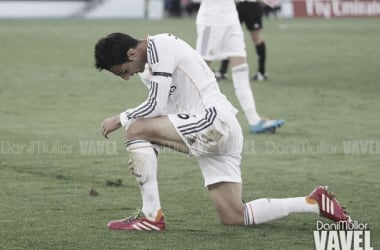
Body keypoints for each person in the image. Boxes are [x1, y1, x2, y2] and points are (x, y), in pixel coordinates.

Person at [94, 32, 351, 231]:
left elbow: (155, 107)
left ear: (131, 53)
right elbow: (163, 115)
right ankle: (314, 202)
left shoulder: (159, 46)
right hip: (218, 130)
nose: (127, 77)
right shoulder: (148, 69)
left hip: (214, 123)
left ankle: (151, 217)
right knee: (234, 216)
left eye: (124, 72)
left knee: (134, 127)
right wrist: (146, 155)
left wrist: (122, 119)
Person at [195, 0, 284, 134]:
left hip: (231, 19)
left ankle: (254, 120)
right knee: (199, 70)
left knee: (241, 66)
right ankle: (190, 117)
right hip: (212, 20)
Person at [216, 0, 269, 81]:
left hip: (252, 5)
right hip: (237, 6)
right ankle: (223, 71)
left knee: (256, 38)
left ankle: (261, 72)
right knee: (229, 36)